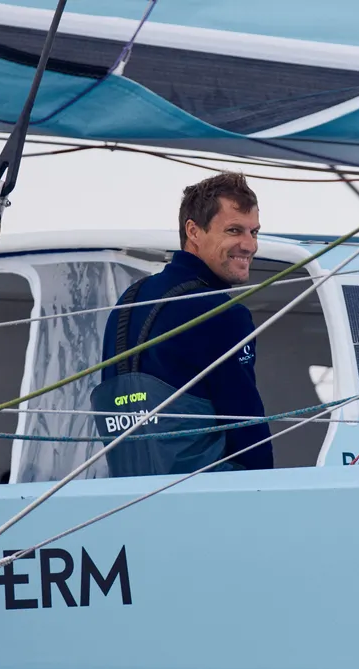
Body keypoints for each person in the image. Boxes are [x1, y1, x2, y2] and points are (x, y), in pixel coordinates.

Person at [92, 172, 273, 477]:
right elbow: (246, 428)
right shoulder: (224, 314)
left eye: (254, 232)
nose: (249, 245)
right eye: (234, 230)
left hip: (129, 493)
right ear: (193, 231)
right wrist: (265, 488)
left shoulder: (130, 300)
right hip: (206, 495)